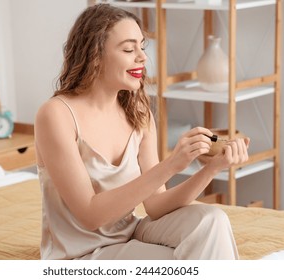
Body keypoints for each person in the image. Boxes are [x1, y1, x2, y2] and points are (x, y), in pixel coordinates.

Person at [34, 3, 249, 260]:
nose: (142, 57)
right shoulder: (56, 115)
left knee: (212, 220)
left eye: (141, 47)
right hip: (79, 255)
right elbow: (90, 215)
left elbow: (156, 205)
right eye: (128, 49)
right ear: (95, 55)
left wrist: (211, 168)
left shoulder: (137, 110)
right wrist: (172, 165)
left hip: (130, 234)